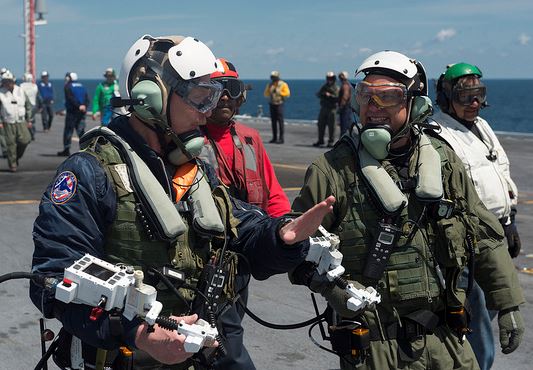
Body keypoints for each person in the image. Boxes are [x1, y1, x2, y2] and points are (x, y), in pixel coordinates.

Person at [30, 34, 334, 370]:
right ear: (150, 97)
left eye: (213, 98)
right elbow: (51, 278)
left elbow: (242, 227)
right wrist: (137, 333)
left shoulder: (196, 173)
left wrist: (281, 237)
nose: (207, 114)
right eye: (200, 98)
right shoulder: (90, 172)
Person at [291, 51, 525, 370]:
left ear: (415, 104)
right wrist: (334, 289)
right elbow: (298, 249)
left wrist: (507, 302)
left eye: (387, 97)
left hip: (446, 342)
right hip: (374, 348)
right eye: (365, 95)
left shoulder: (442, 162)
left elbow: (482, 235)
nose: (372, 108)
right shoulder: (331, 171)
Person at [431, 62, 521, 370]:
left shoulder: (482, 126)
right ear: (446, 97)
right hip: (470, 241)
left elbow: (501, 169)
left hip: (498, 232)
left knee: (489, 312)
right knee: (476, 323)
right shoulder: (438, 134)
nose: (474, 103)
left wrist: (510, 220)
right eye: (465, 95)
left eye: (478, 95)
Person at [201, 58, 291, 216]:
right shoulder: (190, 140)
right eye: (218, 89)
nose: (225, 97)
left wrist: (284, 225)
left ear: (240, 95)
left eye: (232, 89)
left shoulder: (250, 138)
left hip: (253, 231)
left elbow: (274, 195)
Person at [0, 70, 32, 172]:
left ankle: (15, 157)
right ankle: (12, 164)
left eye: (9, 81)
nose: (7, 83)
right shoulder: (1, 93)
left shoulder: (21, 91)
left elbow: (28, 105)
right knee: (10, 144)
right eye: (5, 81)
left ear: (13, 81)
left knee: (25, 140)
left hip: (21, 121)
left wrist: (29, 119)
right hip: (7, 122)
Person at [58, 72, 89, 156]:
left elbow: (70, 98)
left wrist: (78, 106)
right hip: (82, 111)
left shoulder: (68, 86)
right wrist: (84, 106)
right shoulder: (82, 86)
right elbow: (86, 98)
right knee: (81, 131)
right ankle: (85, 149)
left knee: (68, 130)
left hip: (72, 112)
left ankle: (66, 149)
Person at [313, 71, 339, 147]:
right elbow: (319, 94)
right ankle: (320, 140)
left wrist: (330, 95)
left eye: (330, 78)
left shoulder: (336, 88)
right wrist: (323, 94)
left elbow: (337, 98)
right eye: (328, 78)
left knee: (332, 126)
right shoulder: (324, 87)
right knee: (320, 124)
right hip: (324, 108)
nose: (329, 79)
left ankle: (331, 141)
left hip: (332, 109)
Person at [263, 70, 290, 144]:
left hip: (279, 104)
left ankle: (281, 139)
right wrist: (269, 90)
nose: (273, 79)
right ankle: (274, 138)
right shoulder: (270, 84)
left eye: (274, 77)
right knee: (273, 122)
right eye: (272, 77)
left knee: (280, 122)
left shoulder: (283, 84)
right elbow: (266, 94)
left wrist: (279, 92)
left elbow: (287, 93)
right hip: (272, 104)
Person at [20, 73, 39, 140]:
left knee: (25, 120)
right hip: (33, 105)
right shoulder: (35, 86)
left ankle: (27, 134)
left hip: (25, 105)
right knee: (32, 121)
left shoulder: (21, 86)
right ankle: (32, 133)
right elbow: (37, 95)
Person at [338, 71, 353, 137]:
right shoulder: (347, 84)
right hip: (347, 107)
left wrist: (341, 107)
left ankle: (342, 141)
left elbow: (345, 97)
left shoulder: (345, 85)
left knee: (344, 125)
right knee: (348, 125)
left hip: (345, 108)